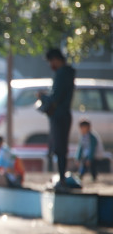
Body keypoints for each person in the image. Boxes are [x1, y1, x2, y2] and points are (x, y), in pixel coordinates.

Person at [37, 48, 75, 190]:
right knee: (60, 149)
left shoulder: (62, 74)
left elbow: (55, 98)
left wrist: (42, 96)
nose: (50, 65)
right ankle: (61, 178)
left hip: (59, 116)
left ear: (56, 60)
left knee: (60, 149)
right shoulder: (68, 73)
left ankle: (62, 179)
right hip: (64, 115)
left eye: (51, 61)